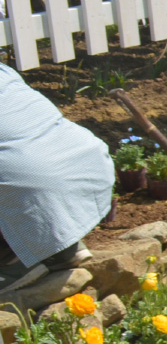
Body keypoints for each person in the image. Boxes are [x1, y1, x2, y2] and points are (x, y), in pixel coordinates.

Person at [0, 64, 108, 293]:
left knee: (19, 173)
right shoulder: (4, 72)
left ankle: (12, 261)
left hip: (32, 182)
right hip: (86, 164)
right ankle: (64, 247)